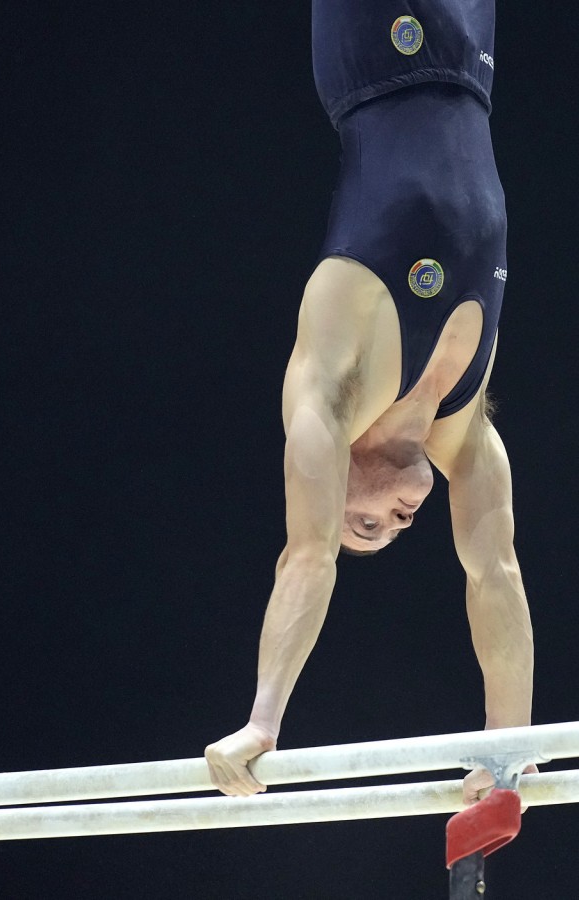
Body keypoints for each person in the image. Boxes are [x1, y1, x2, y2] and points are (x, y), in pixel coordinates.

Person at [203, 0, 533, 804]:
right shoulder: (463, 429)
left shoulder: (327, 394)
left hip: (375, 60)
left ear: (337, 480)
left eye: (367, 524)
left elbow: (307, 555)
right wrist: (510, 749)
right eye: (392, 531)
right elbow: (494, 571)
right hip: (469, 62)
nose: (399, 523)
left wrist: (263, 722)